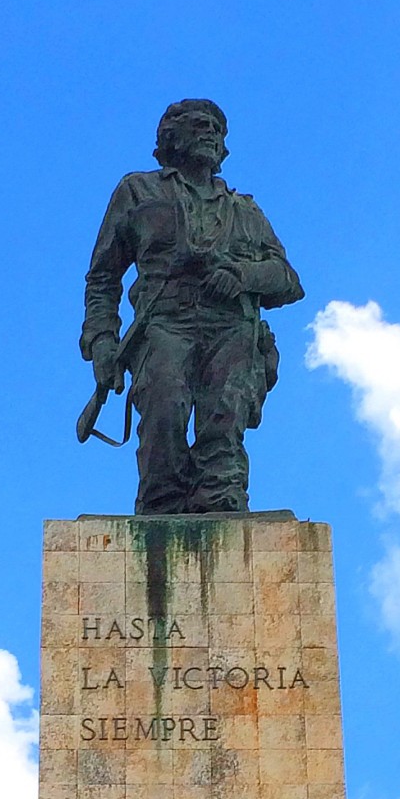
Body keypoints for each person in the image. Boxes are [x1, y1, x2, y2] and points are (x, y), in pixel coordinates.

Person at [81, 99, 304, 514]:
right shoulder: (138, 191)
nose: (211, 134)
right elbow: (103, 276)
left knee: (225, 421)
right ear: (170, 137)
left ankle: (220, 503)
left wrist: (242, 276)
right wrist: (102, 342)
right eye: (200, 125)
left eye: (218, 130)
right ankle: (162, 506)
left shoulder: (245, 210)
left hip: (231, 328)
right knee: (164, 410)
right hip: (164, 324)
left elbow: (288, 281)